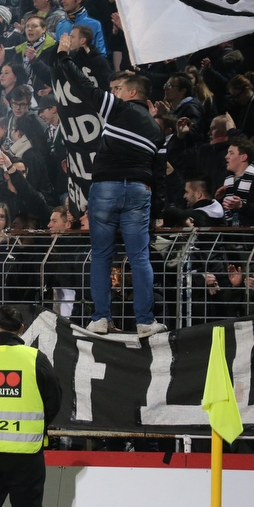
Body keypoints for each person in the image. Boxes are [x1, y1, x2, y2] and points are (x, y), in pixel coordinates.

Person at [57, 34, 167, 337]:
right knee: (139, 257)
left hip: (105, 189)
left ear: (132, 93)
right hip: (139, 192)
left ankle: (100, 318)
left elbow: (84, 87)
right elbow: (160, 175)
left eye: (119, 89)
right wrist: (157, 213)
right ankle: (145, 322)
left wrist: (64, 57)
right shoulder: (158, 133)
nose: (114, 92)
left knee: (102, 255)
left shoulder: (119, 110)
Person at [0, 305, 61, 507]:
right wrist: (36, 425)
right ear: (21, 329)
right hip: (25, 453)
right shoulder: (35, 358)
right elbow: (54, 400)